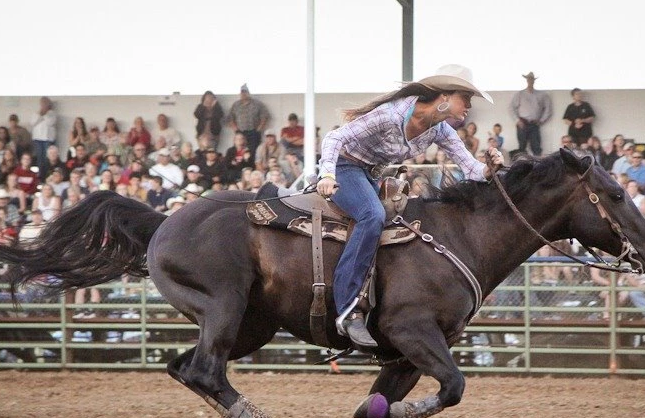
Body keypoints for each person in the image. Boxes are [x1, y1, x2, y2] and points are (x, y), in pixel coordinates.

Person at [316, 64, 504, 347]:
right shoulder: (391, 115)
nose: (468, 105)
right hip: (345, 167)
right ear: (444, 96)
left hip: (372, 175)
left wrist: (489, 170)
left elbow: (471, 169)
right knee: (372, 215)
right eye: (465, 97)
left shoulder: (439, 130)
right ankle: (348, 310)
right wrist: (327, 174)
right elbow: (335, 137)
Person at [509, 72, 551, 156]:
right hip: (522, 123)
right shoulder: (520, 94)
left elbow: (548, 109)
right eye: (529, 79)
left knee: (536, 147)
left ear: (534, 81)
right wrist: (517, 121)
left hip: (534, 123)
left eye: (532, 79)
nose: (530, 81)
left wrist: (541, 120)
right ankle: (522, 166)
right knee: (522, 147)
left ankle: (538, 167)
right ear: (526, 80)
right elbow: (511, 108)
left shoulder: (541, 95)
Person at [226, 84, 271, 155]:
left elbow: (265, 116)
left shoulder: (257, 104)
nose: (243, 94)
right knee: (239, 152)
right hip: (240, 132)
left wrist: (258, 130)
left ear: (248, 93)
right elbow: (230, 118)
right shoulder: (236, 105)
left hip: (253, 133)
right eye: (242, 92)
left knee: (253, 152)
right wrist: (236, 130)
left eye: (245, 92)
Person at [31, 97, 58, 164]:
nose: (43, 105)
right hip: (37, 139)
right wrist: (40, 115)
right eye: (42, 103)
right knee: (39, 158)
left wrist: (45, 115)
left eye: (45, 103)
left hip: (48, 139)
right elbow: (32, 123)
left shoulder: (52, 113)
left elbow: (50, 123)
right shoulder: (36, 113)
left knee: (47, 158)